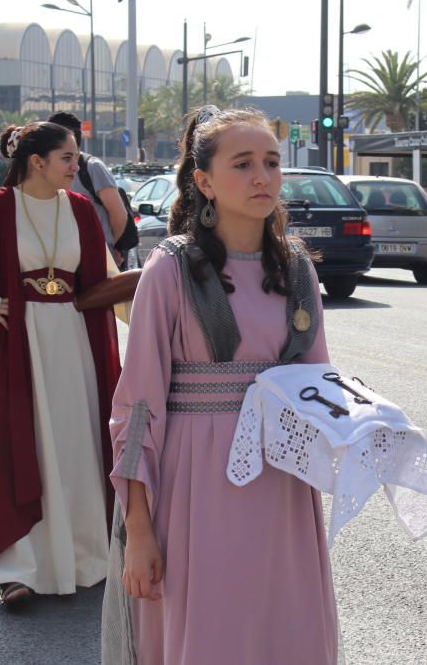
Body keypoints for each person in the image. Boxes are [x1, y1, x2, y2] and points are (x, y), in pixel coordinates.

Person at [100, 106, 338, 664]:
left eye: (272, 162)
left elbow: (318, 387)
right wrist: (139, 531)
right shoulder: (170, 269)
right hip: (196, 487)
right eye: (243, 163)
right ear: (203, 180)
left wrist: (366, 421)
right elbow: (136, 410)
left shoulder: (298, 268)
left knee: (282, 630)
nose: (262, 176)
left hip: (281, 489)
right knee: (211, 634)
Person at [0, 121, 123, 605]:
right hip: (19, 344)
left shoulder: (78, 210)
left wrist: (162, 318)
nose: (78, 167)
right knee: (18, 444)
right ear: (38, 161)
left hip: (75, 344)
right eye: (68, 158)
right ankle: (19, 568)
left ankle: (81, 557)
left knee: (74, 444)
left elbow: (108, 278)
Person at [47, 111, 129, 266]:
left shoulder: (92, 167)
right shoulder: (46, 169)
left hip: (94, 261)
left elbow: (119, 215)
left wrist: (105, 245)